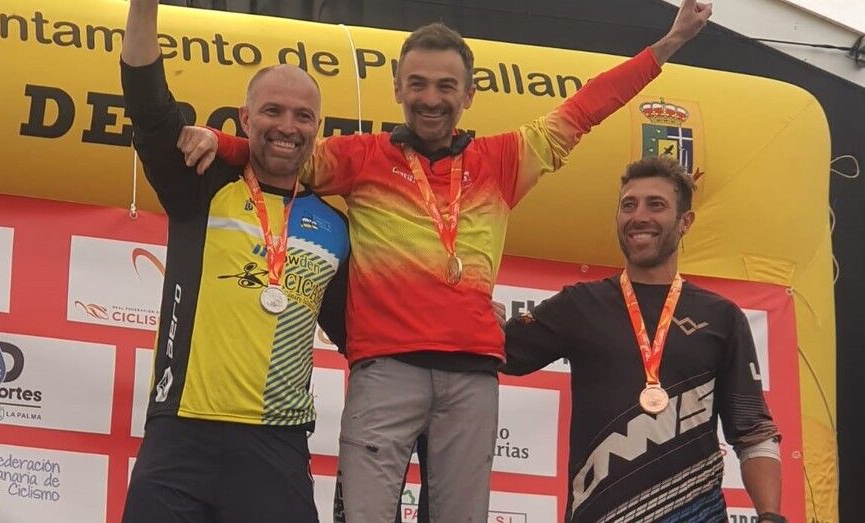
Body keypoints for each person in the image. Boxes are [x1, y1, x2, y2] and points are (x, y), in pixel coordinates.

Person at [179, 3, 712, 521]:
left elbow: (587, 107)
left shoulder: (503, 161)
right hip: (385, 371)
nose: (430, 98)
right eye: (418, 84)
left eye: (445, 86)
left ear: (469, 94)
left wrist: (669, 44)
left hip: (471, 378)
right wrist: (219, 141)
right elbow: (280, 153)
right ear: (397, 88)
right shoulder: (360, 158)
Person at [119, 1, 350, 521]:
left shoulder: (336, 225)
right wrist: (143, 8)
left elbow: (367, 333)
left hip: (277, 443)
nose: (287, 126)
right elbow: (148, 103)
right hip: (181, 434)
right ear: (246, 117)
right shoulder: (200, 183)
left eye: (302, 116)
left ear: (317, 126)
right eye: (272, 111)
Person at [502, 156, 784, 522]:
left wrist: (770, 515)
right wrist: (472, 310)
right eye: (628, 205)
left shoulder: (722, 317)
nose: (639, 216)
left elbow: (753, 432)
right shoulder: (581, 305)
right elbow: (500, 350)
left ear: (685, 222)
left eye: (656, 205)